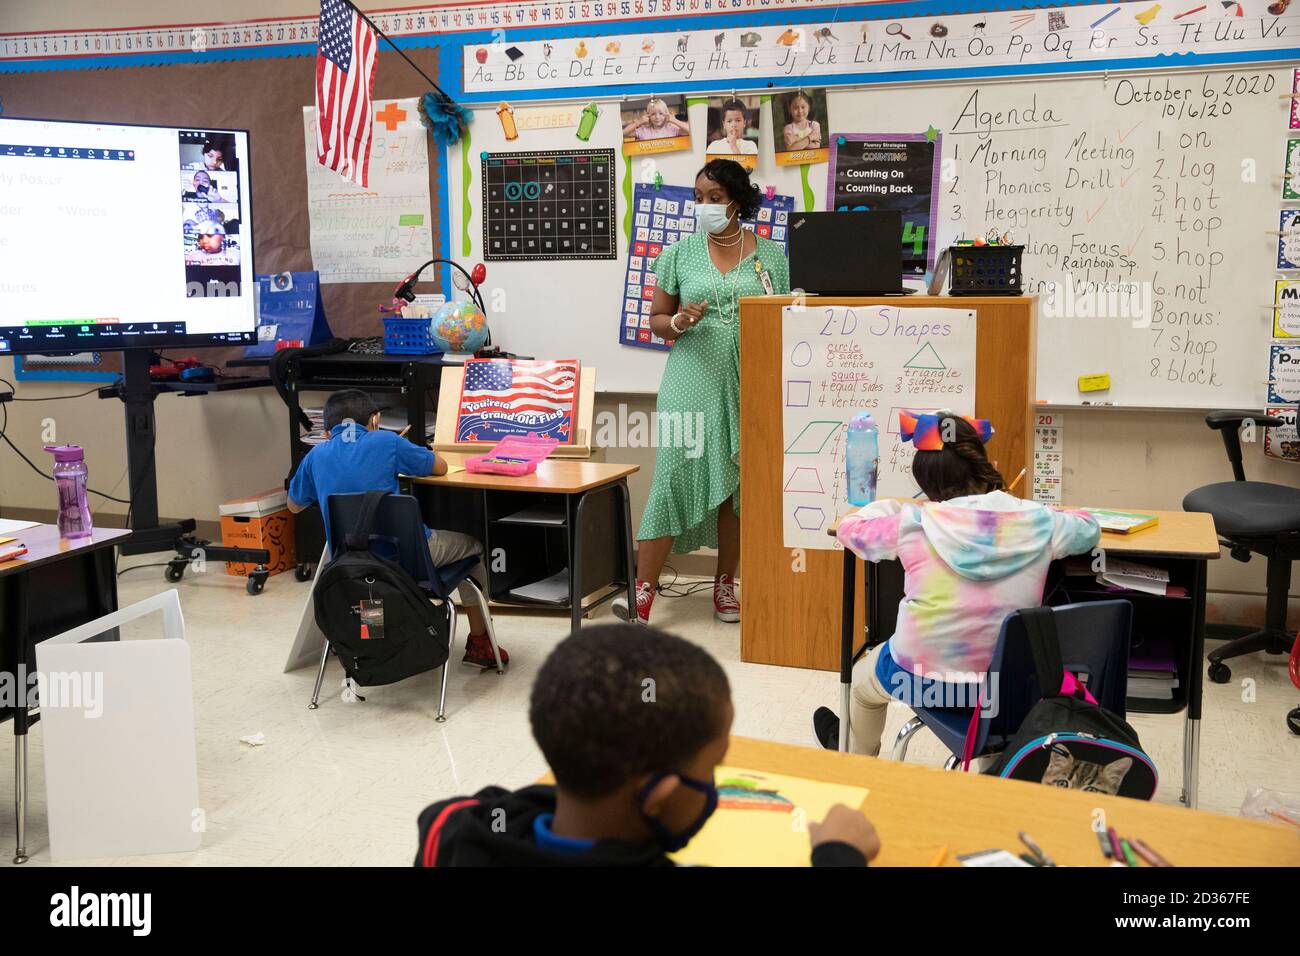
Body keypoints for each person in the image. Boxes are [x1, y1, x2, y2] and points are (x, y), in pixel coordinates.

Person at [415, 623, 880, 866]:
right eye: (711, 768)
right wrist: (840, 852)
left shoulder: (455, 832)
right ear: (657, 795)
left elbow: (461, 810)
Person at [812, 413, 1100, 754]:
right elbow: (1088, 527)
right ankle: (995, 767)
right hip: (1005, 685)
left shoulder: (914, 522)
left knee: (862, 684)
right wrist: (1030, 508)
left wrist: (889, 506)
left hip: (919, 681)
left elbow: (850, 529)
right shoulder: (1041, 522)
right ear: (982, 462)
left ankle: (855, 761)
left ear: (927, 482)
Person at [613, 159, 790, 625]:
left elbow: (787, 319)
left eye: (714, 197)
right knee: (672, 477)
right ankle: (645, 590)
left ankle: (724, 585)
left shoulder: (771, 257)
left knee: (738, 488)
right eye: (698, 198)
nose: (705, 206)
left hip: (749, 385)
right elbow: (655, 320)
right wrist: (676, 322)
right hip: (690, 383)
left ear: (737, 199)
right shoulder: (679, 253)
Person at [287, 389, 508, 670]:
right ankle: (481, 644)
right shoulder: (386, 441)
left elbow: (294, 506)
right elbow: (439, 467)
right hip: (404, 562)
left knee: (370, 579)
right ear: (375, 419)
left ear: (328, 432)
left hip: (352, 566)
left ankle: (375, 641)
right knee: (474, 548)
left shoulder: (315, 456)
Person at [622, 97, 690, 142]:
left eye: (661, 113)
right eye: (653, 114)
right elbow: (623, 133)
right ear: (648, 116)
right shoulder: (644, 130)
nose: (657, 117)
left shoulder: (672, 128)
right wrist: (639, 122)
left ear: (666, 114)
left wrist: (675, 121)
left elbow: (692, 131)